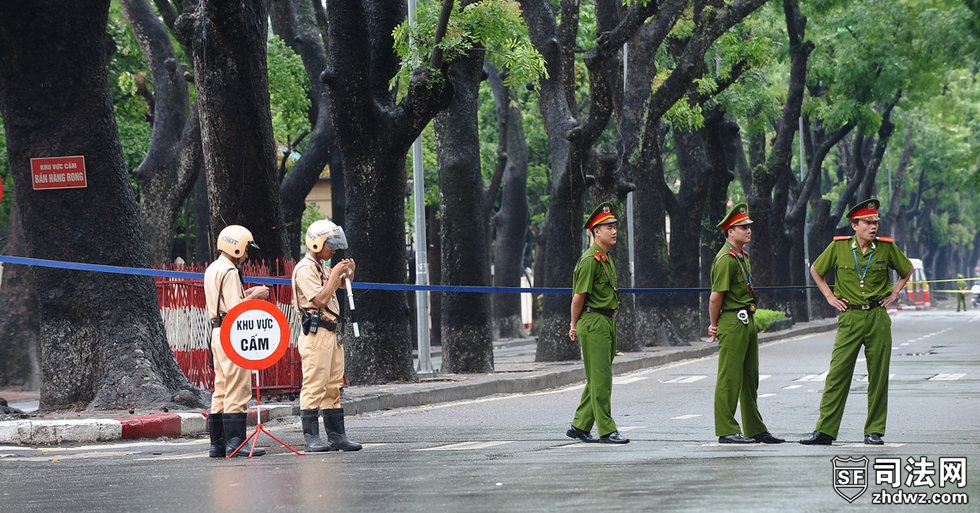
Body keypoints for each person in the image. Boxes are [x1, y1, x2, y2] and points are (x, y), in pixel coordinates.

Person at [800, 199, 913, 446]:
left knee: (878, 376)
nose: (873, 227)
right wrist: (829, 296)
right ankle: (825, 431)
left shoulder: (885, 248)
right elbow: (816, 270)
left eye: (876, 222)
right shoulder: (839, 248)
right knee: (838, 374)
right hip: (850, 316)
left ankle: (874, 431)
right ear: (854, 225)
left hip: (877, 316)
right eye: (868, 222)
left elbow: (907, 269)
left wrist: (894, 293)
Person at [706, 203, 784, 445]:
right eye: (742, 227)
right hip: (732, 320)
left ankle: (754, 428)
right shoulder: (725, 260)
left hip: (746, 318)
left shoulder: (741, 256)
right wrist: (713, 324)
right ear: (730, 231)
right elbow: (715, 296)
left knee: (750, 377)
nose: (748, 230)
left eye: (749, 226)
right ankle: (727, 429)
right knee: (730, 377)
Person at [292, 219, 361, 451]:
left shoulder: (321, 266)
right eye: (329, 244)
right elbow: (320, 299)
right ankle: (311, 438)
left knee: (333, 386)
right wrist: (335, 276)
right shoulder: (304, 269)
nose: (333, 249)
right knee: (315, 385)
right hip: (316, 332)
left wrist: (348, 273)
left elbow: (340, 285)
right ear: (315, 243)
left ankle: (337, 436)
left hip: (332, 332)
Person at [204, 225, 271, 458]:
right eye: (246, 249)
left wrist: (246, 293)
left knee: (221, 388)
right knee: (238, 388)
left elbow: (225, 302)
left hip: (216, 331)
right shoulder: (231, 271)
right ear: (236, 246)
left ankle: (218, 444)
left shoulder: (214, 268)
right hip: (230, 333)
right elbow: (235, 309)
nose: (247, 254)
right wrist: (256, 296)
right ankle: (236, 443)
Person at [566, 202, 629, 444]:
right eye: (608, 227)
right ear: (595, 231)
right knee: (602, 378)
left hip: (607, 321)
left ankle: (580, 426)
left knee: (597, 377)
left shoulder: (606, 258)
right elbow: (578, 298)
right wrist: (574, 325)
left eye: (614, 226)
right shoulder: (590, 260)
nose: (613, 231)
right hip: (593, 322)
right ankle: (607, 429)